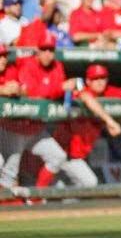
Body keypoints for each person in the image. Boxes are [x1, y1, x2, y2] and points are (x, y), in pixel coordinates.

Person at [1, 35, 93, 189]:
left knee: (57, 156)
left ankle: (38, 196)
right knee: (9, 170)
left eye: (51, 50)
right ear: (37, 50)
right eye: (44, 49)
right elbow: (32, 93)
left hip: (35, 128)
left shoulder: (57, 66)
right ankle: (6, 204)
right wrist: (60, 88)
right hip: (15, 128)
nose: (47, 54)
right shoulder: (27, 66)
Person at [52, 64, 121, 187]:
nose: (100, 82)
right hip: (62, 152)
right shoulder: (82, 91)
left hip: (77, 156)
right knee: (89, 183)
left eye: (102, 78)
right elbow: (86, 97)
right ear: (88, 81)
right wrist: (110, 121)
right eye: (95, 79)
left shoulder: (109, 92)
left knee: (64, 192)